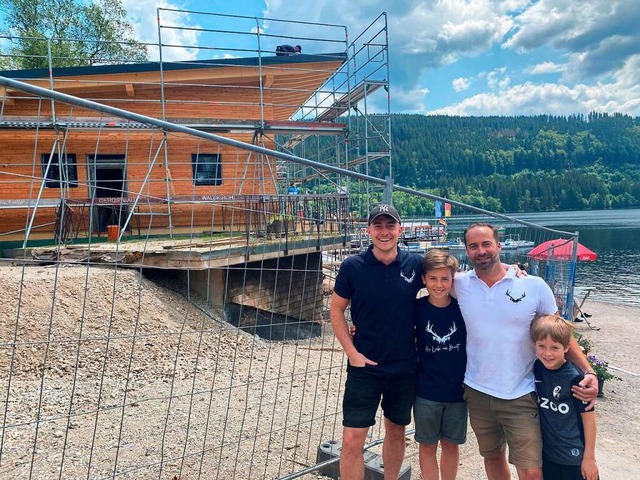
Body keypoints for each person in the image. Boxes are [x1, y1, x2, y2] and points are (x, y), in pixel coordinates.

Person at [452, 222, 598, 480]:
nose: (481, 250)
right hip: (477, 390)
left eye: (486, 243)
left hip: (521, 391)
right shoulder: (459, 283)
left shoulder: (533, 285)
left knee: (531, 470)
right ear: (466, 250)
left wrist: (589, 371)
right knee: (493, 458)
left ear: (499, 246)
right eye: (473, 246)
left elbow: (562, 334)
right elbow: (429, 276)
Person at [330, 204, 423, 480]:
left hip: (404, 366)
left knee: (396, 432)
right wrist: (351, 352)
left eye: (390, 225)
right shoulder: (352, 267)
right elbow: (336, 310)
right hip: (364, 367)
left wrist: (509, 270)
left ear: (400, 229)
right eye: (378, 226)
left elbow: (450, 282)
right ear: (368, 230)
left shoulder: (416, 264)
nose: (384, 232)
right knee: (351, 440)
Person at [414, 249, 467, 480]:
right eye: (433, 278)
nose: (439, 284)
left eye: (445, 279)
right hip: (426, 390)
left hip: (457, 390)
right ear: (424, 279)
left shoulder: (463, 309)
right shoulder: (415, 309)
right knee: (427, 445)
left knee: (451, 444)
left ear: (452, 280)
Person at [530, 314, 599, 480]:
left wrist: (589, 458)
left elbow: (589, 420)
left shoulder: (575, 379)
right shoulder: (536, 369)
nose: (547, 353)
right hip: (548, 455)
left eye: (555, 347)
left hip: (574, 456)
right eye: (541, 346)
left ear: (567, 347)